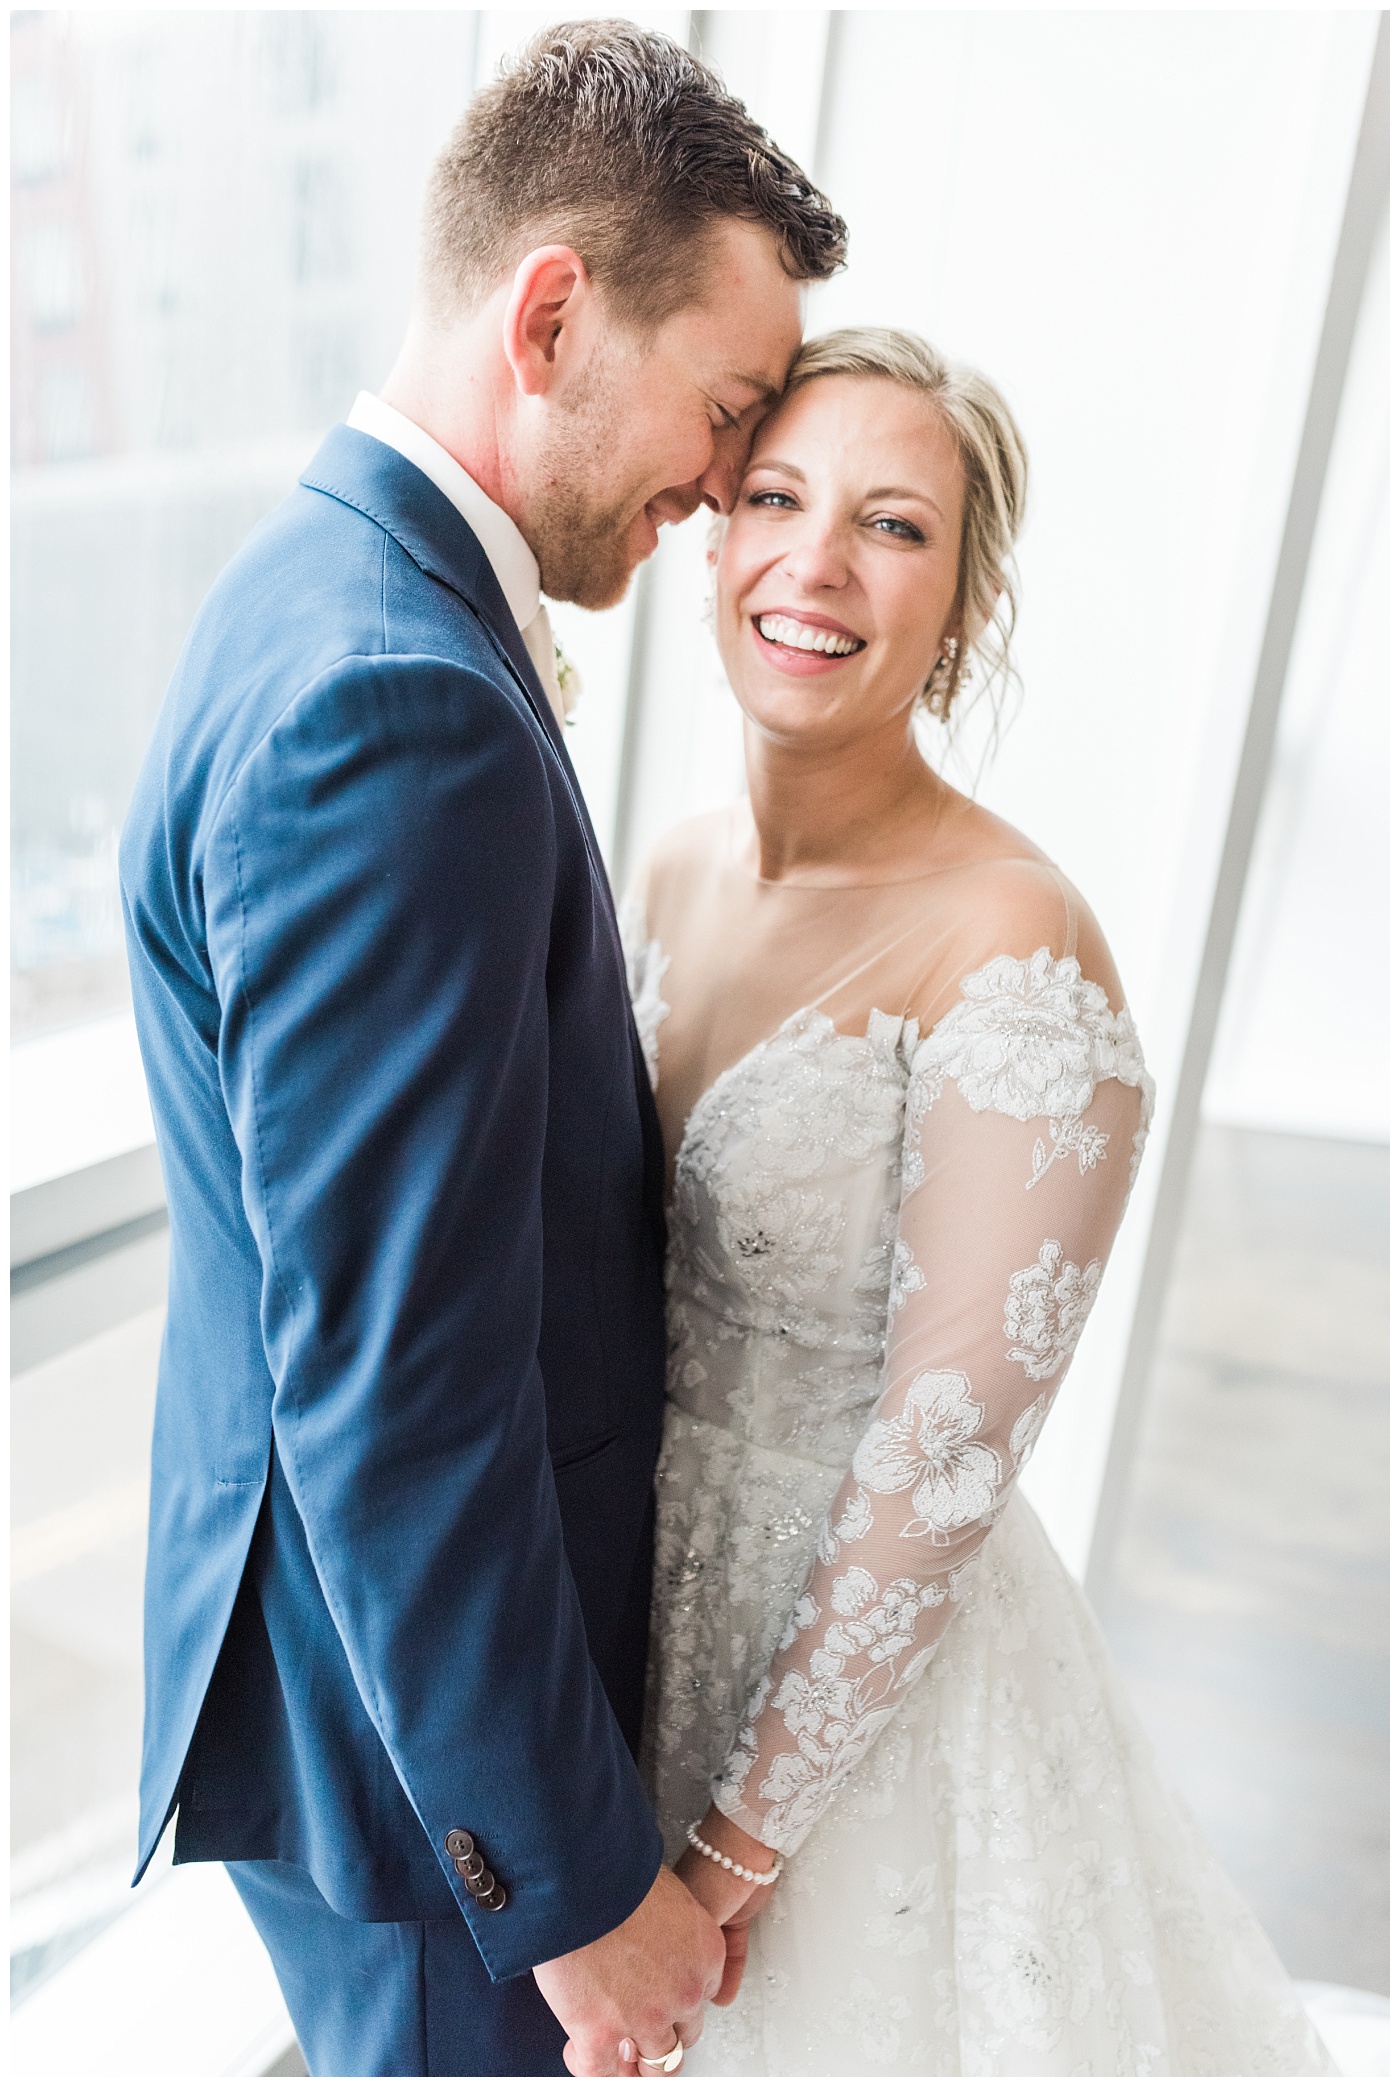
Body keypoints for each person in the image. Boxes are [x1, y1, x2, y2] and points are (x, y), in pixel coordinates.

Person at [118, 24, 846, 2079]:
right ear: (551, 316)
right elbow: (405, 1381)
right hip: (431, 1780)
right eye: (723, 410)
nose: (723, 486)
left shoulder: (315, 585)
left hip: (365, 1695)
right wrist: (573, 1883)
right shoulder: (397, 708)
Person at [625, 328, 1336, 2075]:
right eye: (777, 498)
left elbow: (941, 1456)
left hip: (859, 1713)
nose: (816, 562)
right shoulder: (664, 864)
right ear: (714, 538)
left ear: (969, 597)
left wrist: (734, 1855)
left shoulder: (1012, 937)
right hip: (623, 1629)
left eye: (895, 526)